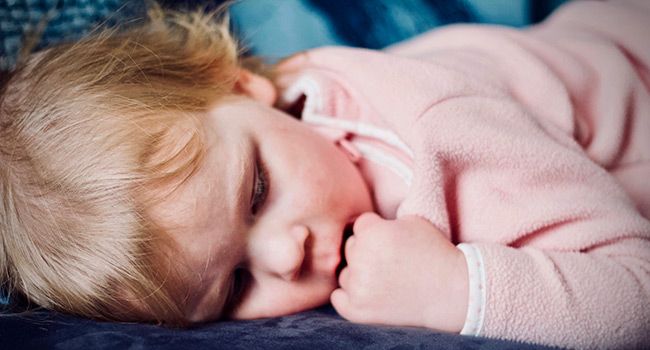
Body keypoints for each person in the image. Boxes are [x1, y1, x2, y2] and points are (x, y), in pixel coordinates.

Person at [1, 0, 648, 348]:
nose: (287, 252)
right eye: (234, 286)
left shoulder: (437, 138)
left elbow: (635, 296)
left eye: (258, 192)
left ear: (245, 86)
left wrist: (455, 290)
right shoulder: (267, 127)